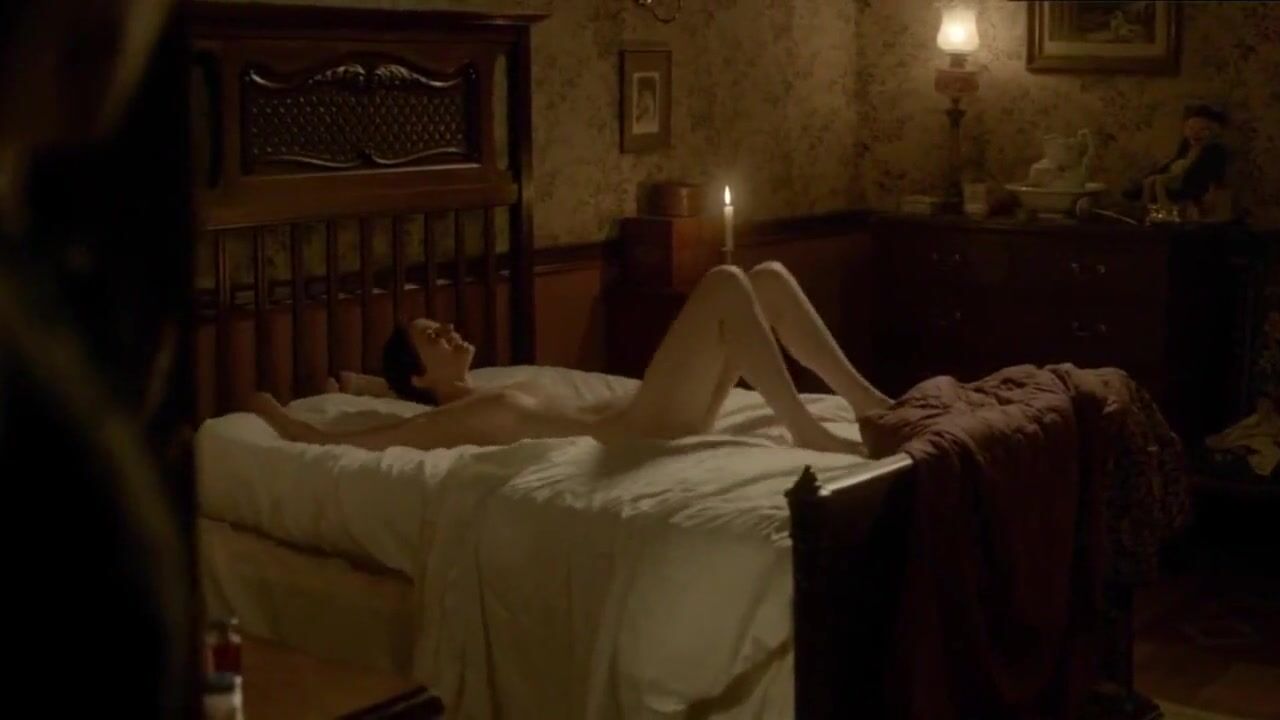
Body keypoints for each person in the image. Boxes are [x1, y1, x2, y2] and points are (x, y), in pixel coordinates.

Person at [248, 261, 893, 455]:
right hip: (642, 429)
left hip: (658, 412)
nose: (449, 330)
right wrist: (282, 418)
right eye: (434, 337)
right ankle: (804, 430)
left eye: (441, 324)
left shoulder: (480, 384)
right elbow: (376, 438)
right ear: (422, 377)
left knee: (769, 277)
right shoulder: (462, 415)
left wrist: (364, 384)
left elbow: (401, 394)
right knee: (726, 282)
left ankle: (872, 403)